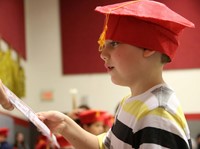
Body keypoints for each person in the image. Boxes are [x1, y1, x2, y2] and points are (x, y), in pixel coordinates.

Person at [0, 0, 195, 148]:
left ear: (149, 48)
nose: (102, 54)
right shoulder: (130, 102)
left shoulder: (158, 113)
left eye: (114, 43)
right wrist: (65, 124)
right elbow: (103, 146)